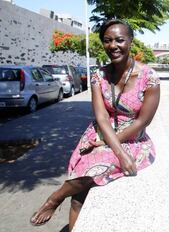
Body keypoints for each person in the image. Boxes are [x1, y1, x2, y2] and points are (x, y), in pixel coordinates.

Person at [29, 19, 160, 231]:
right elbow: (100, 116)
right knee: (79, 193)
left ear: (130, 41)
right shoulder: (99, 75)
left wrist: (114, 149)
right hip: (100, 131)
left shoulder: (149, 77)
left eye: (119, 40)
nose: (113, 45)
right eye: (107, 41)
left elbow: (143, 121)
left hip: (132, 138)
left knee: (90, 171)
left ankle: (53, 199)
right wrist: (105, 144)